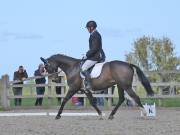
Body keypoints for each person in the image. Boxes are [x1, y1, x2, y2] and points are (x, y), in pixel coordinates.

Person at [81, 20, 106, 90]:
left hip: (96, 56)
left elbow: (94, 48)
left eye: (88, 28)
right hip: (95, 55)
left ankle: (89, 85)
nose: (87, 29)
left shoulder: (95, 35)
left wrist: (86, 55)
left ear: (91, 27)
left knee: (83, 68)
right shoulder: (94, 34)